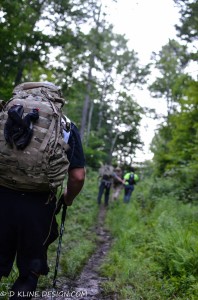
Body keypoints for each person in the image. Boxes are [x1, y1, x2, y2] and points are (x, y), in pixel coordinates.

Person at [0, 82, 86, 299]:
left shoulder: (5, 115)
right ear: (56, 99)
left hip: (1, 197)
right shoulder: (65, 126)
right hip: (39, 205)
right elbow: (77, 176)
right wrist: (68, 198)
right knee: (30, 272)